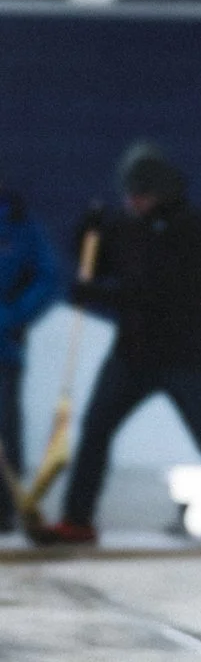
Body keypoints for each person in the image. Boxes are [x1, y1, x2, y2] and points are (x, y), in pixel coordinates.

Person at [39, 142, 201, 547]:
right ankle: (77, 519)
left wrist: (98, 296)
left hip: (182, 357)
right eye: (130, 195)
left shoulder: (189, 227)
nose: (134, 202)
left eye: (142, 195)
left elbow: (162, 291)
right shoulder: (125, 226)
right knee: (96, 429)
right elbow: (97, 265)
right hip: (132, 354)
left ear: (160, 193)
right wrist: (86, 234)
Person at [0, 184, 63, 537]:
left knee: (6, 426)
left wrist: (11, 315)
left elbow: (47, 277)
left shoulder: (19, 225)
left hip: (4, 347)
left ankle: (6, 508)